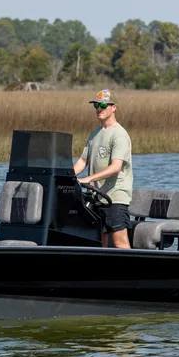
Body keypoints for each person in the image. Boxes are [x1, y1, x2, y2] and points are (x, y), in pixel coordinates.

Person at [73, 89, 133, 248]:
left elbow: (115, 167)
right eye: (96, 105)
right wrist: (67, 176)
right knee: (101, 242)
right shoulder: (95, 133)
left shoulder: (119, 134)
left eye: (103, 105)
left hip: (115, 196)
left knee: (120, 241)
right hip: (96, 196)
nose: (99, 109)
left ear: (114, 107)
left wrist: (89, 178)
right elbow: (82, 161)